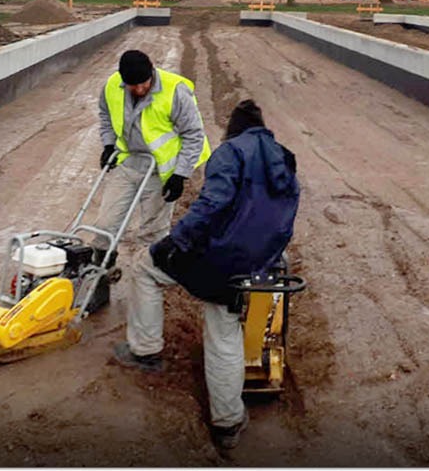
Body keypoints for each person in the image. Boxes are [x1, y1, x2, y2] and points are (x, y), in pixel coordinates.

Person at [111, 99, 300, 451]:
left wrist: (176, 242)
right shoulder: (285, 161)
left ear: (233, 129)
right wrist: (268, 258)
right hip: (255, 262)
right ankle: (228, 424)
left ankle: (146, 350)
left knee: (144, 266)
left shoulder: (230, 153)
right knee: (224, 329)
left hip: (218, 257)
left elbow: (211, 205)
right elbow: (285, 221)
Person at [91, 49, 211, 266]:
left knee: (152, 232)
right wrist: (108, 144)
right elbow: (105, 115)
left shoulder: (175, 91)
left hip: (161, 172)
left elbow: (194, 135)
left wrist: (180, 175)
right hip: (127, 164)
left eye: (143, 84)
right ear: (123, 80)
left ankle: (149, 279)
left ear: (151, 73)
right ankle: (101, 276)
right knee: (104, 226)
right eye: (132, 85)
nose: (139, 89)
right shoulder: (112, 86)